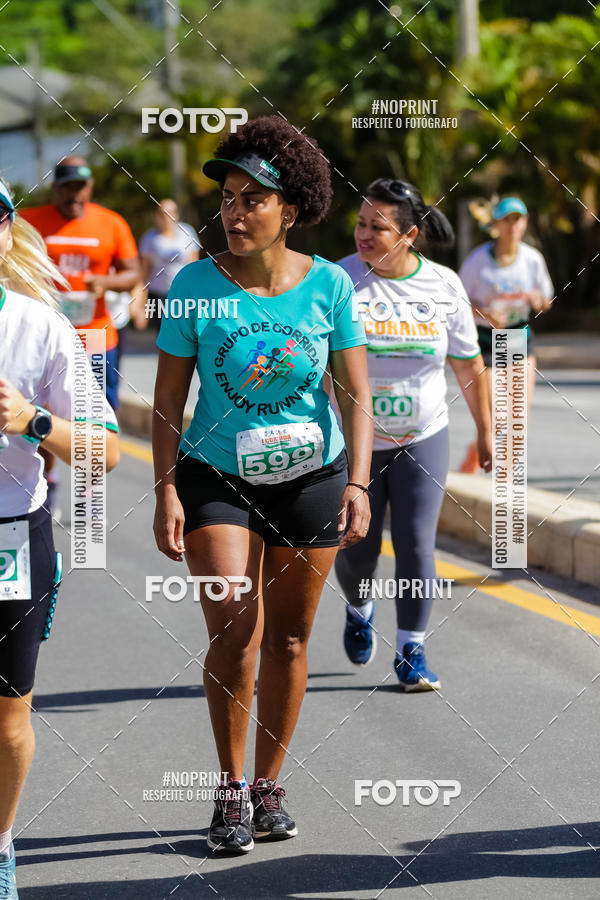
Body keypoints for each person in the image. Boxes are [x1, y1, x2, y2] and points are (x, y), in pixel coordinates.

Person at [152, 116, 372, 854]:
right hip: (216, 478)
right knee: (234, 631)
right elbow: (165, 401)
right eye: (228, 198)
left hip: (311, 478)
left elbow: (356, 393)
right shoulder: (193, 284)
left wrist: (360, 482)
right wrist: (165, 489)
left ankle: (269, 784)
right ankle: (228, 794)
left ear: (291, 208)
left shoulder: (331, 284)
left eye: (254, 199)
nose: (235, 212)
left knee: (288, 638)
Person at [0, 178, 120, 899]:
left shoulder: (39, 327)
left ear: (9, 231)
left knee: (9, 718)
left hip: (11, 538)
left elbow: (104, 451)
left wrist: (32, 421)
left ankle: (1, 843)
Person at [334, 178, 492, 690]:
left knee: (415, 542)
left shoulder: (443, 284)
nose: (363, 234)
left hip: (423, 434)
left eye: (376, 227)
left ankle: (411, 651)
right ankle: (359, 608)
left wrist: (488, 432)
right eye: (360, 223)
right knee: (357, 547)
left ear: (409, 235)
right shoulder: (339, 281)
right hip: (355, 442)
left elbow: (468, 365)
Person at [20, 155, 142, 413]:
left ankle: (90, 455)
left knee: (96, 414)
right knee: (43, 414)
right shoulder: (28, 222)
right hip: (44, 334)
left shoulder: (111, 223)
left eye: (80, 187)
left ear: (90, 187)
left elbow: (133, 274)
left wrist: (104, 281)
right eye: (67, 187)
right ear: (54, 188)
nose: (73, 195)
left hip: (94, 334)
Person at [458, 197, 553, 473]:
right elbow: (458, 302)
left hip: (518, 336)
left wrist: (538, 299)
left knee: (518, 416)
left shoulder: (532, 259)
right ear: (496, 225)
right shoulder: (477, 261)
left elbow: (547, 300)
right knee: (496, 417)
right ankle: (476, 451)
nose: (513, 226)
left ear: (524, 224)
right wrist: (484, 312)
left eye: (518, 219)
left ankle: (506, 480)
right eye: (507, 220)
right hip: (486, 340)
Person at [140, 199, 200, 329]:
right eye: (162, 213)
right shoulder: (149, 238)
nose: (167, 217)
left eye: (171, 212)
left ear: (177, 214)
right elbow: (144, 273)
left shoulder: (187, 232)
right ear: (157, 216)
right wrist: (142, 306)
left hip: (182, 295)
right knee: (162, 336)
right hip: (158, 296)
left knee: (184, 333)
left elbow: (195, 267)